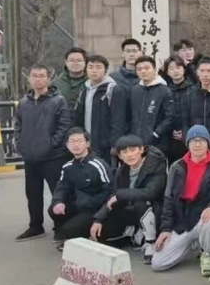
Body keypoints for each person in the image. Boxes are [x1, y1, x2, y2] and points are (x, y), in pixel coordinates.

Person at [152, 125, 210, 275]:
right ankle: (192, 243)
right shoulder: (177, 166)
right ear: (187, 144)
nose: (197, 144)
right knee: (157, 264)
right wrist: (166, 229)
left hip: (204, 216)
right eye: (193, 141)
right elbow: (169, 199)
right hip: (182, 222)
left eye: (202, 140)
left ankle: (207, 253)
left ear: (208, 143)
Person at [14, 64, 71, 242]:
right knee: (33, 194)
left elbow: (64, 126)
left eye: (41, 76)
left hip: (53, 157)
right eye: (34, 76)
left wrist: (51, 144)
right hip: (30, 157)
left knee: (57, 193)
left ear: (49, 78)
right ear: (29, 78)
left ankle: (61, 226)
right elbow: (18, 125)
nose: (38, 79)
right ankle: (35, 226)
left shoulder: (58, 101)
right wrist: (20, 144)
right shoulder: (23, 103)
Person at [90, 135, 168, 264]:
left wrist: (120, 195)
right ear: (120, 156)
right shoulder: (122, 171)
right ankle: (133, 233)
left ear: (141, 150)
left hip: (156, 211)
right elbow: (113, 196)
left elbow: (151, 193)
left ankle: (150, 241)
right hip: (130, 211)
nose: (129, 155)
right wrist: (98, 219)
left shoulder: (155, 165)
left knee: (141, 202)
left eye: (133, 150)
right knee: (101, 235)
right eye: (124, 152)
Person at [49, 128, 114, 247]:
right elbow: (61, 186)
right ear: (67, 145)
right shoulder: (68, 166)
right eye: (72, 141)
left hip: (95, 208)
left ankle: (77, 234)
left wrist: (98, 213)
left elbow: (110, 190)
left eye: (79, 141)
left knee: (70, 230)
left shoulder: (98, 164)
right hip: (80, 205)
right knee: (53, 209)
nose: (76, 144)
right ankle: (65, 233)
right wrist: (58, 201)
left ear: (87, 143)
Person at [75, 54, 128, 163]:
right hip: (86, 142)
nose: (94, 71)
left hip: (105, 145)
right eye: (90, 67)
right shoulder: (85, 88)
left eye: (98, 67)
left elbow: (118, 119)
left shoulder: (113, 89)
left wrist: (115, 143)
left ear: (106, 70)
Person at [129, 56, 175, 154]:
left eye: (147, 68)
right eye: (139, 69)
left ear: (155, 69)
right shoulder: (134, 90)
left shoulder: (164, 91)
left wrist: (156, 133)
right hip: (136, 143)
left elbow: (170, 117)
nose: (143, 71)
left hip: (158, 144)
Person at [163, 55, 195, 163]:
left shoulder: (194, 88)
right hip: (170, 137)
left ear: (184, 69)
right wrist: (172, 130)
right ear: (167, 72)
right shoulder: (165, 90)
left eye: (178, 67)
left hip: (190, 135)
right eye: (171, 69)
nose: (175, 71)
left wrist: (185, 132)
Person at [188, 57, 210, 141]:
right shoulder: (190, 93)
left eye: (209, 71)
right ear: (197, 72)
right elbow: (185, 120)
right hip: (196, 140)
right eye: (202, 71)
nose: (205, 74)